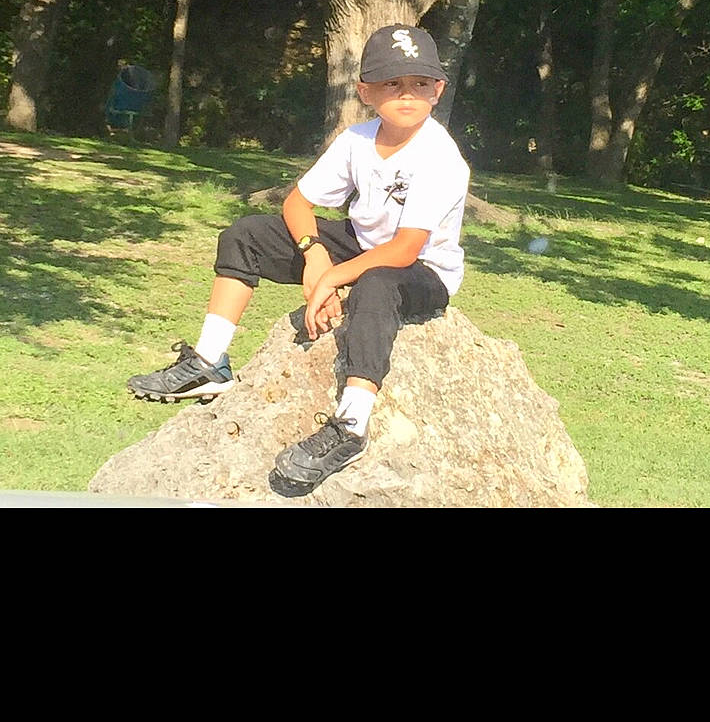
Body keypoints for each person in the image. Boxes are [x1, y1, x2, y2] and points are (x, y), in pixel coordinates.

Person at [127, 24, 471, 494]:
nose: (406, 94)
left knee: (377, 282)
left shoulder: (439, 156)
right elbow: (297, 202)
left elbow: (406, 248)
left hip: (423, 270)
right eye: (392, 83)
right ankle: (209, 361)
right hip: (363, 243)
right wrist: (314, 256)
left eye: (420, 83)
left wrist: (333, 279)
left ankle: (350, 425)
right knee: (245, 234)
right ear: (365, 91)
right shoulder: (356, 140)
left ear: (439, 89)